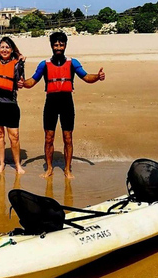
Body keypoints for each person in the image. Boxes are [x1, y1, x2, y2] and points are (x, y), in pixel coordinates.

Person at [22, 32, 105, 179]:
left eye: (61, 44)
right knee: (49, 137)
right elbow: (32, 81)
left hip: (66, 102)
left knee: (68, 138)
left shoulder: (72, 63)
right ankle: (49, 168)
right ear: (52, 46)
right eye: (56, 45)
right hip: (51, 103)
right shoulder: (44, 64)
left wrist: (97, 77)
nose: (58, 47)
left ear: (65, 45)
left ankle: (67, 169)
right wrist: (22, 83)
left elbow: (86, 77)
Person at [0, 37, 26, 174]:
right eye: (2, 47)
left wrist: (21, 63)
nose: (4, 50)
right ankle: (1, 164)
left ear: (12, 50)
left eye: (7, 47)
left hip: (10, 103)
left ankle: (17, 165)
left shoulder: (17, 64)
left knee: (14, 136)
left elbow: (20, 82)